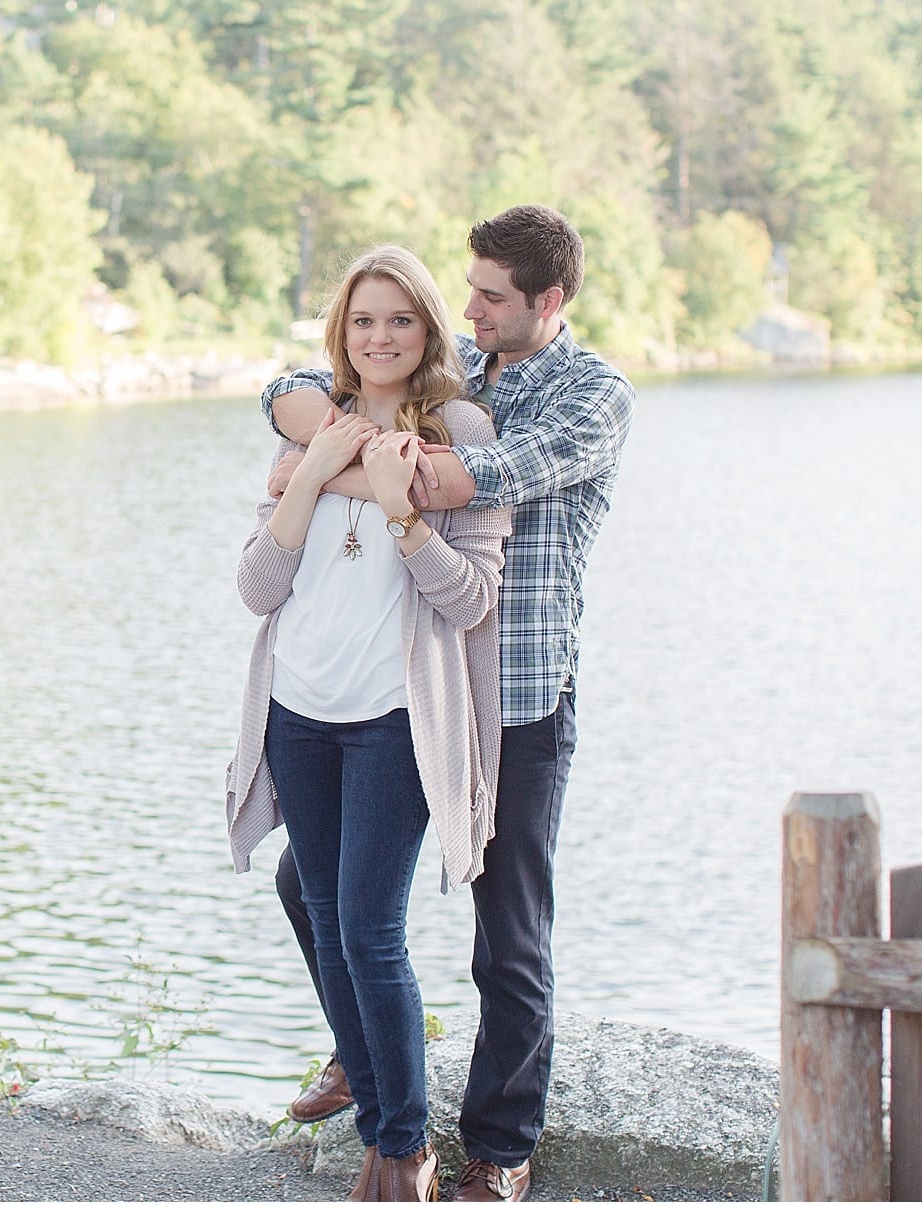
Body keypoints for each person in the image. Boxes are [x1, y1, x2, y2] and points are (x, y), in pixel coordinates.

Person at [262, 206, 634, 1204]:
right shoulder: (469, 367)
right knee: (312, 884)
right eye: (464, 294)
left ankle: (499, 1149)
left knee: (505, 930)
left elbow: (460, 478)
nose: (469, 310)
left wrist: (332, 465)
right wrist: (337, 438)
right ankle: (366, 1057)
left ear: (547, 301)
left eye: (491, 297)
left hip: (512, 698)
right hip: (416, 687)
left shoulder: (589, 394)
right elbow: (292, 391)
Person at [227, 245, 512, 1204]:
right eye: (362, 321)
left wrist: (402, 513)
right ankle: (374, 1097)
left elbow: (471, 600)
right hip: (299, 713)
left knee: (368, 930)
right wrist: (313, 477)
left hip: (394, 720)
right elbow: (258, 585)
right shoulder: (320, 426)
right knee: (313, 900)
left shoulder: (461, 432)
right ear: (339, 336)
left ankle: (400, 1143)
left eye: (399, 320)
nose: (380, 337)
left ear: (429, 329)